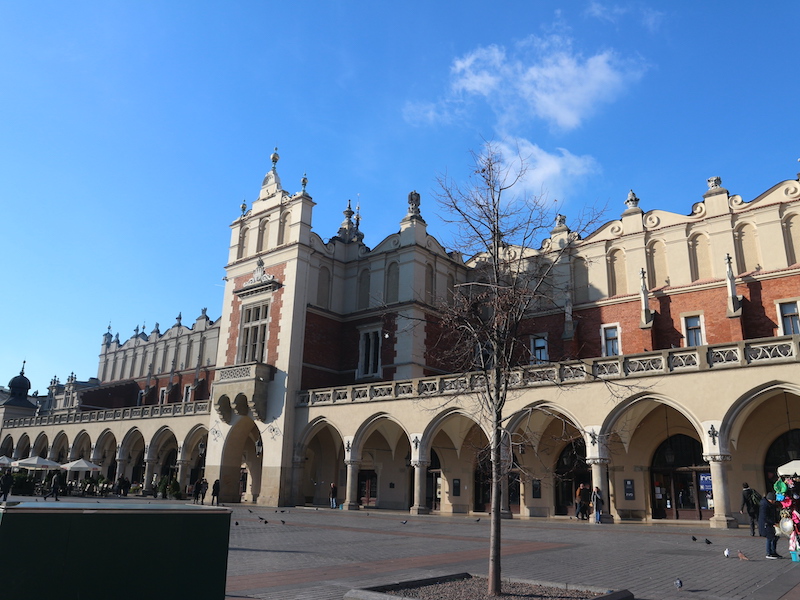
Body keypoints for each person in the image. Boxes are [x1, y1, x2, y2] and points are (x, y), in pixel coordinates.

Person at [759, 491, 781, 559]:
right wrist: (773, 522)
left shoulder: (771, 505)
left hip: (771, 523)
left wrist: (776, 521)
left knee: (775, 537)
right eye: (773, 500)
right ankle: (769, 553)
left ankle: (774, 552)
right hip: (766, 524)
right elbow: (765, 517)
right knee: (770, 538)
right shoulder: (764, 505)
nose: (774, 502)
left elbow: (774, 513)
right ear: (770, 500)